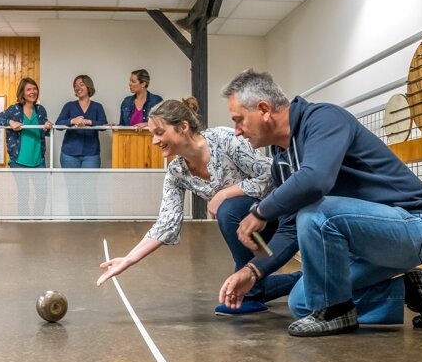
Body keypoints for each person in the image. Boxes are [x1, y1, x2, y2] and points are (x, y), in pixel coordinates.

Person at [219, 68, 422, 337]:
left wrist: (261, 210)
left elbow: (316, 180)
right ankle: (415, 289)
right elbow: (289, 228)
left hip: (414, 226)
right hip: (368, 245)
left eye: (239, 120)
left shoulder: (323, 119)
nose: (237, 131)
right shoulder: (282, 162)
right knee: (306, 302)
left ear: (263, 109)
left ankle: (338, 314)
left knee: (316, 212)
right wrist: (252, 271)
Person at [97, 97, 301, 311]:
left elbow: (271, 175)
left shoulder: (225, 139)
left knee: (228, 208)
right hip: (250, 231)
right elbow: (167, 224)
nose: (154, 142)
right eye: (152, 135)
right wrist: (128, 260)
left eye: (159, 133)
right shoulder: (176, 171)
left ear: (183, 127)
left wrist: (223, 195)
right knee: (236, 284)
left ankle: (252, 294)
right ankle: (282, 283)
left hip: (281, 216)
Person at [0, 77, 52, 217]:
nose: (33, 92)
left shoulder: (41, 110)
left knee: (42, 193)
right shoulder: (14, 109)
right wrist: (9, 122)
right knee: (24, 194)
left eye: (35, 89)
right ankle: (25, 224)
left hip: (38, 159)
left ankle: (38, 223)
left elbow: (45, 133)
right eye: (29, 89)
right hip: (19, 161)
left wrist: (48, 126)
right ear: (22, 93)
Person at [56, 75, 108, 169]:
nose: (77, 88)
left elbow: (104, 125)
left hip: (91, 155)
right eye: (75, 85)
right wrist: (72, 120)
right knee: (71, 184)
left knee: (89, 183)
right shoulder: (69, 106)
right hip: (69, 155)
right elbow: (58, 125)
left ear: (88, 87)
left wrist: (89, 121)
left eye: (81, 84)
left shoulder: (97, 107)